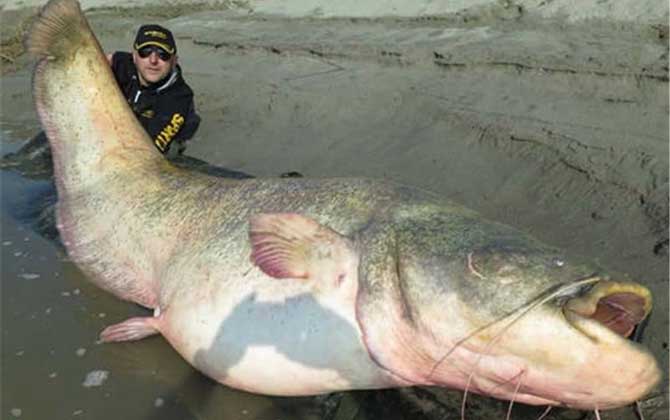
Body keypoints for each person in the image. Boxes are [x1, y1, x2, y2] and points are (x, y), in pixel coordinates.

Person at [107, 24, 200, 156]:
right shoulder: (121, 64)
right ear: (134, 56)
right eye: (145, 51)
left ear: (174, 61)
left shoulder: (179, 98)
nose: (153, 60)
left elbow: (150, 153)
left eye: (163, 54)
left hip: (161, 144)